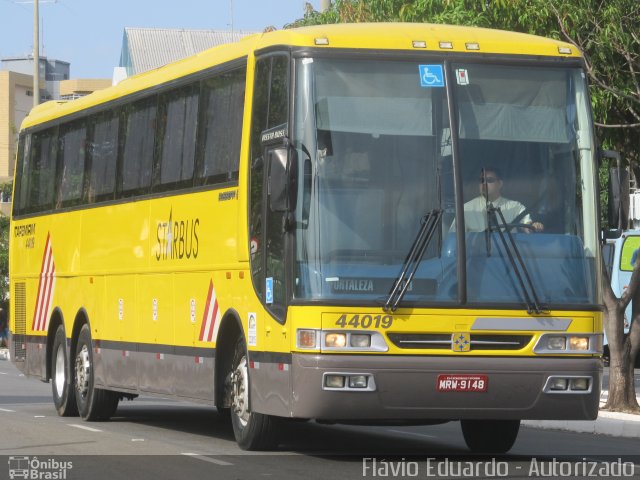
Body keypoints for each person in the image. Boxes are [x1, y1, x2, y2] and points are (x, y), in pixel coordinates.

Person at [455, 167, 544, 233]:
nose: (484, 183)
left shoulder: (515, 207)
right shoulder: (465, 209)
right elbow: (454, 238)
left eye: (489, 180)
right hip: (477, 257)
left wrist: (533, 227)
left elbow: (527, 225)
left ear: (500, 184)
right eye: (481, 180)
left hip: (509, 256)